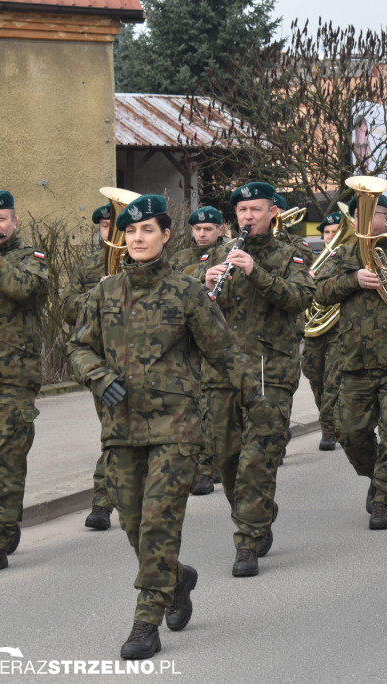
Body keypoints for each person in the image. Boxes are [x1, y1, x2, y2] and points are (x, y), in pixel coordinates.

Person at [68, 193, 271, 658]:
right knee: (134, 526)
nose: (138, 238)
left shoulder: (186, 291)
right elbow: (79, 348)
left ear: (164, 235)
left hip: (176, 429)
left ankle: (145, 620)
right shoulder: (103, 293)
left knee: (159, 524)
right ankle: (178, 580)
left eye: (148, 230)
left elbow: (222, 352)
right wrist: (99, 377)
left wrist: (260, 406)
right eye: (131, 231)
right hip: (121, 429)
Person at [198, 181, 316, 577]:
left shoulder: (292, 253)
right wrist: (204, 285)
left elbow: (299, 299)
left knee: (258, 459)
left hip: (271, 371)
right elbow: (194, 310)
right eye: (242, 210)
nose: (247, 216)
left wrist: (256, 271)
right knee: (226, 458)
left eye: (255, 209)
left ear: (272, 212)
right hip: (222, 371)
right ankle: (258, 509)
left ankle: (247, 542)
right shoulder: (217, 253)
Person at [311, 193, 387, 530]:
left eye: (372, 213)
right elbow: (316, 291)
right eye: (358, 212)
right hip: (354, 359)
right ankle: (378, 476)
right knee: (350, 432)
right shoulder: (343, 253)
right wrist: (352, 280)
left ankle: (383, 498)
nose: (362, 218)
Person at [0, 191, 49, 574]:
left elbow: (23, 290)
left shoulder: (29, 259)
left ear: (15, 223)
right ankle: (3, 521)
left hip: (10, 381)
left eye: (2, 218)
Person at [62, 203, 116, 530]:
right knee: (114, 432)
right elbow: (68, 310)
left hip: (149, 365)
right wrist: (98, 292)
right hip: (103, 364)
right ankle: (102, 503)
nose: (111, 232)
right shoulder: (88, 266)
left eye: (116, 225)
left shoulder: (144, 262)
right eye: (106, 226)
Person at [169, 205, 227, 495]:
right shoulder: (179, 259)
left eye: (208, 229)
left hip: (217, 340)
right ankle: (201, 467)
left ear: (220, 229)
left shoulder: (231, 253)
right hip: (186, 342)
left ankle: (209, 467)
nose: (202, 233)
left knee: (213, 408)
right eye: (197, 229)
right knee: (194, 406)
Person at [301, 211, 343, 451]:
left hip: (339, 327)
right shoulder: (314, 260)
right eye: (326, 232)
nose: (329, 236)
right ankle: (331, 420)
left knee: (333, 379)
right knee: (314, 374)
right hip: (316, 327)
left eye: (334, 232)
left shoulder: (347, 258)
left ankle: (328, 428)